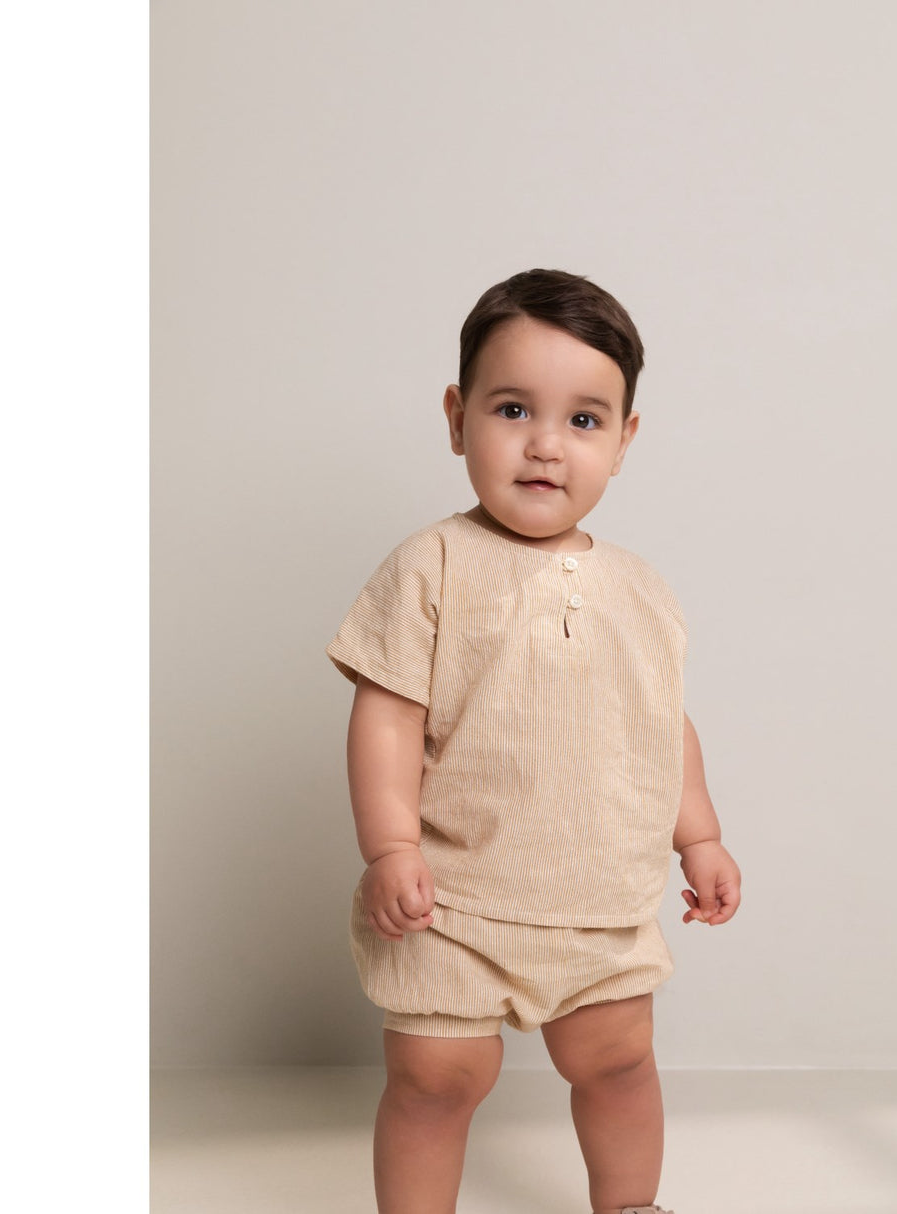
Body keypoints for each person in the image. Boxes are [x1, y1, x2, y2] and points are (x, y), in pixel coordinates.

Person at [326, 268, 741, 1214]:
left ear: (624, 441)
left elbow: (662, 720)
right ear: (457, 417)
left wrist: (701, 835)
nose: (546, 444)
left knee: (620, 1063)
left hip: (600, 901)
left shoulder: (643, 589)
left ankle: (630, 1207)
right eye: (513, 409)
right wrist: (389, 847)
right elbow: (387, 713)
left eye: (584, 420)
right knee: (437, 1080)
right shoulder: (432, 565)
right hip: (453, 898)